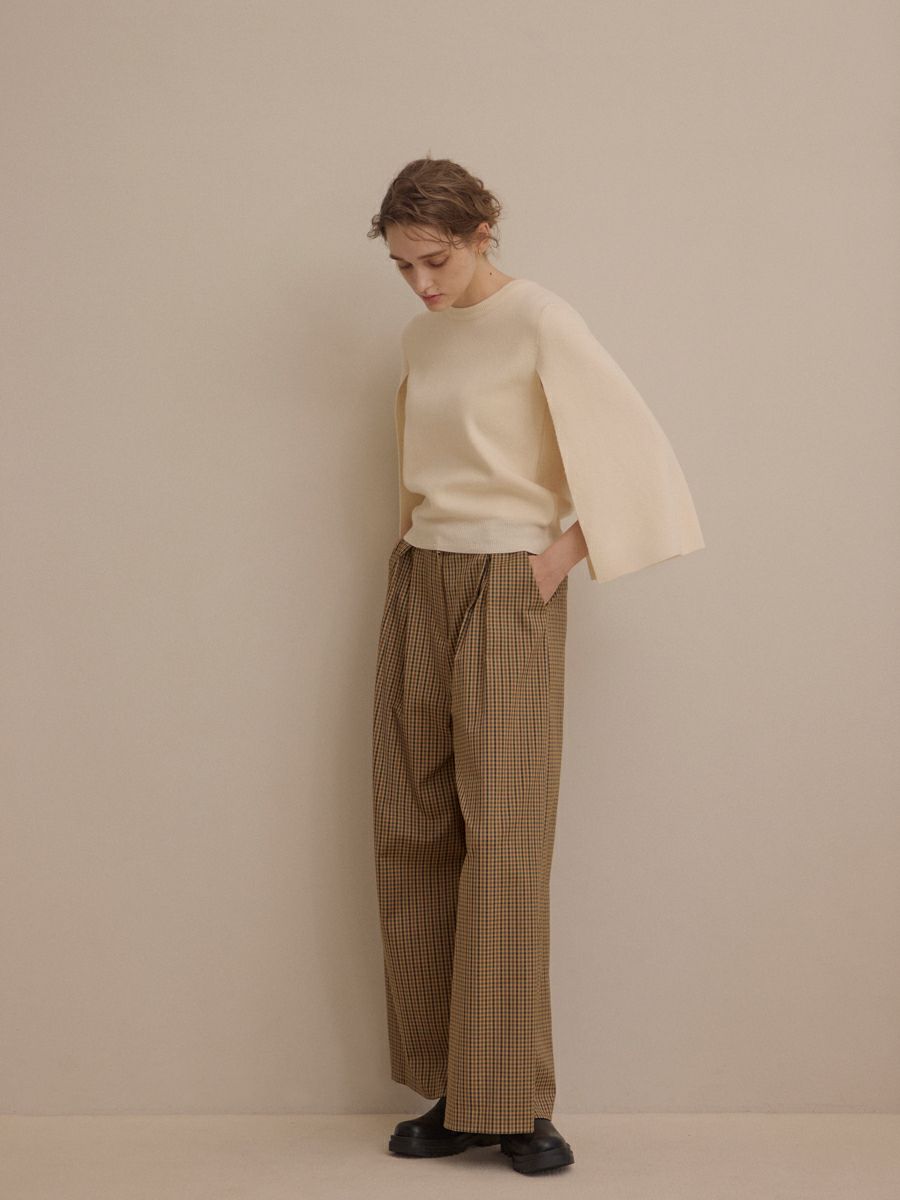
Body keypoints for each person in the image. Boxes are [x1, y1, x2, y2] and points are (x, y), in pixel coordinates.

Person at [366, 156, 705, 1175]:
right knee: (413, 827)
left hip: (509, 586)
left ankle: (515, 1102)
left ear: (482, 235)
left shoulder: (543, 320)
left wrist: (555, 559)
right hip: (423, 576)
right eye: (403, 266)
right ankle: (454, 1090)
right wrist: (418, 557)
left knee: (505, 839)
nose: (422, 283)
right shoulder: (423, 335)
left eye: (436, 260)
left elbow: (638, 455)